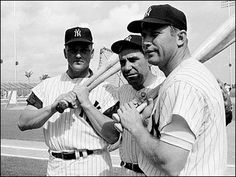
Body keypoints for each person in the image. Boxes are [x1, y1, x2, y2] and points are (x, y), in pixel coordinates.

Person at [117, 4, 228, 176]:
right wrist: (149, 124)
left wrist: (136, 127)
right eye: (144, 35)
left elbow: (170, 162)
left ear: (180, 38)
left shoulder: (182, 83)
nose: (146, 42)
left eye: (154, 35)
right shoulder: (185, 75)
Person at [18, 26, 120, 176]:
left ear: (91, 53)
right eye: (73, 50)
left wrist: (86, 103)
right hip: (56, 167)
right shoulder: (46, 86)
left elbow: (113, 136)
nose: (78, 55)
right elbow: (23, 122)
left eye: (84, 49)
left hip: (94, 166)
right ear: (65, 53)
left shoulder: (107, 90)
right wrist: (53, 107)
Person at [110, 34, 165, 176]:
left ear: (148, 59)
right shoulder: (123, 91)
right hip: (126, 170)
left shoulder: (166, 86)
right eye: (123, 62)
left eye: (133, 60)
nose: (127, 67)